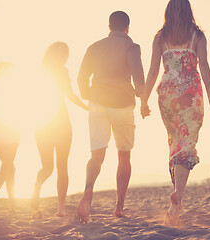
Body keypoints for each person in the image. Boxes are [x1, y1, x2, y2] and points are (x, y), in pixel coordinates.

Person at [140, 0, 210, 223]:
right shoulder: (198, 35)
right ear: (188, 11)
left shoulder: (160, 36)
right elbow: (203, 64)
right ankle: (178, 197)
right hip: (190, 92)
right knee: (187, 141)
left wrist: (144, 100)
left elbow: (153, 71)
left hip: (167, 93)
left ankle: (176, 194)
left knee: (175, 140)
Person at [76, 11, 145, 222]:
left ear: (109, 27)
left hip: (97, 103)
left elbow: (81, 78)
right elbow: (139, 79)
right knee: (124, 155)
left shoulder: (94, 47)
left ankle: (88, 189)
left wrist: (90, 95)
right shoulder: (131, 47)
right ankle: (119, 206)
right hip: (122, 104)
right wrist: (143, 100)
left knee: (97, 154)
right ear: (127, 28)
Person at [31, 42, 88, 217]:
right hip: (60, 124)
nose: (66, 58)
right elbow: (70, 96)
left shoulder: (38, 73)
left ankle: (37, 187)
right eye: (65, 54)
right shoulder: (62, 72)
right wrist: (88, 108)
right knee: (62, 167)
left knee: (47, 168)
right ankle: (60, 209)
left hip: (42, 124)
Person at [0, 62, 20, 214]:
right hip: (10, 133)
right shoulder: (13, 90)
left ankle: (12, 203)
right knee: (6, 167)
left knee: (10, 168)